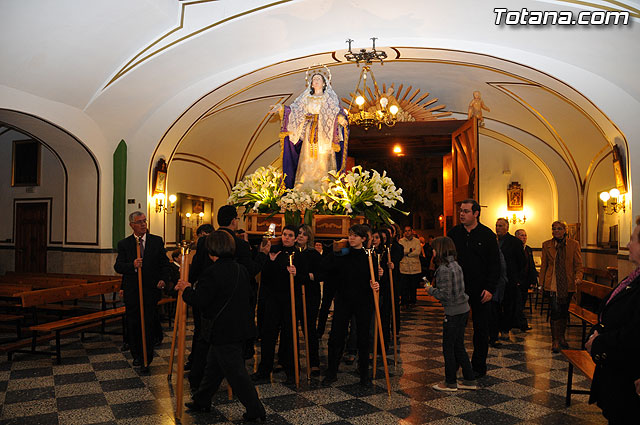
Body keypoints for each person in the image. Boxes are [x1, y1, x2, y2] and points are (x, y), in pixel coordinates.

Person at [176, 231, 266, 422]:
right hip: (240, 328)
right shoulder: (240, 269)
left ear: (211, 250)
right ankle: (202, 400)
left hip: (223, 331)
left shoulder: (212, 272)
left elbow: (200, 300)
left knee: (237, 375)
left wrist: (186, 289)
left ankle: (256, 410)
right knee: (213, 367)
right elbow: (248, 297)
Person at [586, 216, 640, 423]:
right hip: (617, 376)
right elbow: (611, 310)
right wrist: (597, 330)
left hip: (629, 376)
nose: (627, 244)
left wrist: (598, 341)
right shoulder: (633, 277)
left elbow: (634, 332)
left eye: (634, 239)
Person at [269, 69, 349, 190]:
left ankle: (325, 188)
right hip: (309, 132)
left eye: (318, 79)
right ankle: (303, 188)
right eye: (314, 79)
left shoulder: (329, 99)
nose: (315, 81)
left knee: (323, 160)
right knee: (307, 159)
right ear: (311, 84)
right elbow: (294, 110)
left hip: (324, 134)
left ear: (324, 83)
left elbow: (336, 112)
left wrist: (340, 119)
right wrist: (281, 108)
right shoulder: (306, 98)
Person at [448, 199, 500, 378]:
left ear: (476, 213)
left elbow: (495, 265)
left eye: (466, 211)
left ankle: (478, 366)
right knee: (455, 329)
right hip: (458, 289)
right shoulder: (454, 233)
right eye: (461, 211)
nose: (462, 214)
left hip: (481, 290)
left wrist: (490, 288)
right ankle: (454, 363)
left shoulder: (487, 235)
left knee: (481, 329)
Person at [323, 224, 380, 387]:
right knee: (336, 336)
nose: (351, 237)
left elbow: (374, 278)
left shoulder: (369, 256)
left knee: (363, 338)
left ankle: (364, 374)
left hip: (363, 301)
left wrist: (376, 285)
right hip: (343, 300)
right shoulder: (342, 254)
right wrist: (336, 251)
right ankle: (332, 372)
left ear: (363, 239)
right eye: (350, 235)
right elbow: (325, 266)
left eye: (355, 235)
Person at [114, 211, 170, 373]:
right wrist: (132, 264)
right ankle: (137, 355)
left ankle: (147, 356)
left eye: (145, 221)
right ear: (131, 225)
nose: (143, 224)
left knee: (148, 323)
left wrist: (163, 279)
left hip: (150, 290)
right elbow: (118, 267)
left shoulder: (156, 241)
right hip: (133, 291)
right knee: (134, 324)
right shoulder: (124, 244)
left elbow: (164, 264)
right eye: (139, 222)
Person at [252, 225, 308, 384]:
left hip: (290, 301)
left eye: (290, 235)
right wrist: (270, 261)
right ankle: (264, 370)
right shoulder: (274, 251)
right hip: (273, 301)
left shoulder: (299, 255)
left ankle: (291, 370)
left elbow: (304, 278)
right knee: (268, 335)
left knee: (290, 336)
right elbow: (266, 277)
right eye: (284, 234)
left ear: (296, 238)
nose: (287, 238)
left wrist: (296, 273)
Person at [426, 237, 477, 392]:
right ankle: (469, 379)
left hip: (453, 312)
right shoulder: (456, 265)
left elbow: (445, 295)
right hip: (463, 309)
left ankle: (450, 382)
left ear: (440, 249)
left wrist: (430, 290)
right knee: (459, 346)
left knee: (448, 348)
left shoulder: (443, 269)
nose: (432, 252)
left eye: (434, 249)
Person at [539, 220, 583, 353]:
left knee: (564, 311)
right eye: (554, 229)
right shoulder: (547, 245)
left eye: (559, 229)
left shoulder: (573, 244)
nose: (556, 231)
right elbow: (544, 266)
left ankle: (562, 337)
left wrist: (578, 277)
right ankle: (555, 340)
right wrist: (541, 285)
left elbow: (578, 264)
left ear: (565, 230)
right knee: (555, 310)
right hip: (552, 283)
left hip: (567, 283)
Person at [296, 224, 322, 376]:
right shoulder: (291, 252)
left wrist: (309, 276)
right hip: (294, 294)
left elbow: (321, 274)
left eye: (304, 234)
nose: (300, 236)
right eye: (299, 233)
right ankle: (287, 361)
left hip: (310, 295)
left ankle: (314, 362)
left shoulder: (313, 254)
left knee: (309, 329)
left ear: (308, 238)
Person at [495, 218, 526, 336]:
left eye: (501, 226)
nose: (498, 228)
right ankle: (495, 328)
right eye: (497, 226)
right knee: (496, 305)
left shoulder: (514, 242)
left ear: (507, 228)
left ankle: (505, 329)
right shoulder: (494, 241)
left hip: (509, 279)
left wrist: (517, 278)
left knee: (508, 305)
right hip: (496, 279)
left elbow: (522, 262)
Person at [515, 229, 537, 331]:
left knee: (522, 302)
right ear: (516, 237)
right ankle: (522, 324)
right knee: (518, 302)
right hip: (517, 281)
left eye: (525, 235)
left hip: (526, 281)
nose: (524, 237)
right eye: (522, 235)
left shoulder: (528, 249)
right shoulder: (513, 248)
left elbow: (531, 266)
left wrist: (533, 281)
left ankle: (517, 321)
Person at [399, 225, 422, 308]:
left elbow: (417, 252)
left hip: (415, 268)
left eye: (409, 230)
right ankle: (404, 302)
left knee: (413, 287)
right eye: (405, 231)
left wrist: (407, 254)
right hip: (404, 268)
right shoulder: (401, 241)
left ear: (412, 231)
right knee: (404, 287)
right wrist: (410, 250)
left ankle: (413, 301)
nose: (407, 232)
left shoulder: (417, 241)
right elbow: (401, 252)